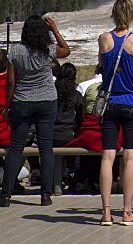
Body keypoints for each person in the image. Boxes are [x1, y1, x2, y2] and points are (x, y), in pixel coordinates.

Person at [0, 14, 70, 208]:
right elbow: (66, 51)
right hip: (47, 100)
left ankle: (6, 194)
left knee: (16, 147)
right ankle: (45, 194)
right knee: (45, 147)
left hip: (22, 100)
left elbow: (12, 81)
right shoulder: (47, 49)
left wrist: (7, 105)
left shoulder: (16, 52)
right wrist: (55, 29)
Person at [97, 0, 133, 226]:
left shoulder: (104, 39)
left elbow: (101, 65)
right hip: (132, 102)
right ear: (132, 14)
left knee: (108, 156)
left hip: (109, 103)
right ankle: (127, 212)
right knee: (130, 156)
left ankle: (106, 212)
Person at [53, 62, 84, 194]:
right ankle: (70, 174)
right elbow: (81, 118)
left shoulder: (52, 93)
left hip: (51, 134)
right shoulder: (76, 95)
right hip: (68, 135)